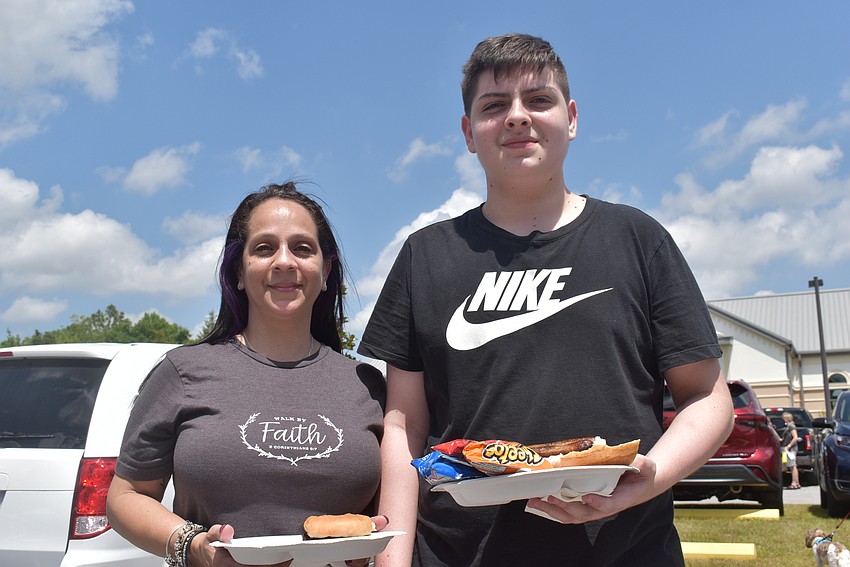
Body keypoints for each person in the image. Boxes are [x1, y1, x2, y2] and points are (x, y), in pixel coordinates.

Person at [357, 33, 734, 566]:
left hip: (627, 550)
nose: (516, 117)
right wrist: (392, 560)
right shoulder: (425, 256)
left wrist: (650, 477)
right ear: (468, 133)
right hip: (460, 553)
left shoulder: (637, 238)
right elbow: (404, 425)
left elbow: (707, 397)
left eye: (538, 100)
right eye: (494, 106)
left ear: (571, 118)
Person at [106, 182, 387, 567]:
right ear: (239, 271)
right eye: (264, 248)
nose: (284, 261)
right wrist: (192, 546)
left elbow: (390, 508)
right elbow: (125, 497)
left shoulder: (367, 385)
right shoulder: (182, 372)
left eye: (303, 248)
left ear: (326, 272)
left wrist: (369, 548)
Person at [782, 412, 801, 489]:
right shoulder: (788, 427)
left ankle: (794, 483)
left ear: (787, 418)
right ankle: (797, 483)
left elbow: (795, 437)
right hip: (788, 448)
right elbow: (785, 438)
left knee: (792, 465)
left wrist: (788, 446)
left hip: (791, 448)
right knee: (792, 465)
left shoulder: (792, 427)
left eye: (784, 418)